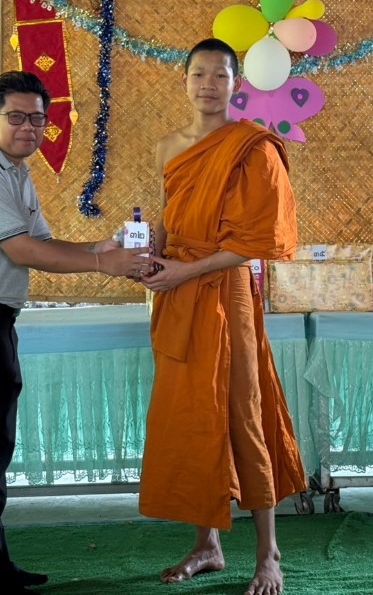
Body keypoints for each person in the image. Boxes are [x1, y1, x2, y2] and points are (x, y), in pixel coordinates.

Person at [0, 70, 150, 595]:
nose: (29, 127)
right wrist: (104, 264)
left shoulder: (16, 173)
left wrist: (100, 246)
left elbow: (45, 243)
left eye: (38, 119)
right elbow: (22, 250)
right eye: (17, 117)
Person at [139, 39, 306, 595]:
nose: (208, 85)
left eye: (219, 75)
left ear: (237, 85)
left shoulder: (251, 147)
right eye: (198, 74)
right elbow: (168, 218)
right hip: (176, 293)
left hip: (225, 291)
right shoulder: (167, 147)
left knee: (242, 410)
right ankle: (206, 544)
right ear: (183, 80)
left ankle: (268, 553)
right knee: (194, 411)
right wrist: (146, 254)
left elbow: (257, 242)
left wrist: (183, 271)